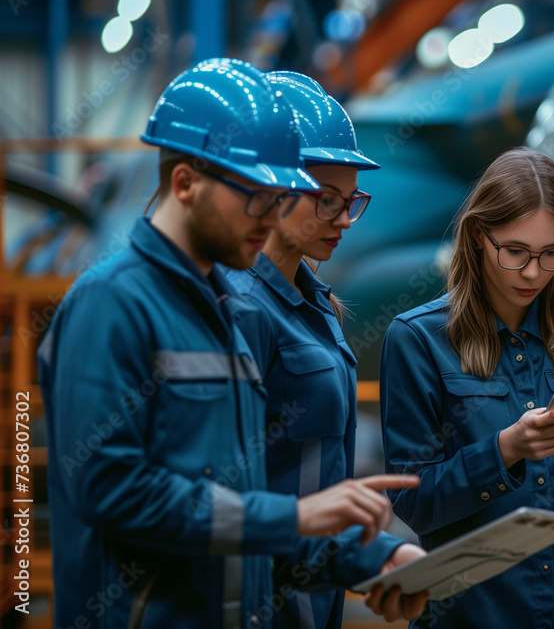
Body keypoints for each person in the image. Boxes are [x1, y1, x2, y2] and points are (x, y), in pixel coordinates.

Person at [38, 58, 422, 629]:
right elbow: (111, 489)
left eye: (280, 197)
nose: (270, 217)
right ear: (185, 183)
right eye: (257, 196)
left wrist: (375, 556)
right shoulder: (111, 302)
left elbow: (242, 513)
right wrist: (293, 518)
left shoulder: (219, 309)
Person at [379, 146, 554, 628]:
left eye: (551, 255)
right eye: (516, 251)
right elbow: (414, 504)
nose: (532, 273)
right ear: (479, 236)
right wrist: (504, 451)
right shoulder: (417, 339)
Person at [225, 70, 428, 628]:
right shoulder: (237, 309)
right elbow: (230, 506)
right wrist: (372, 555)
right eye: (325, 200)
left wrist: (378, 552)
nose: (343, 220)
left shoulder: (317, 306)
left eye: (351, 200)